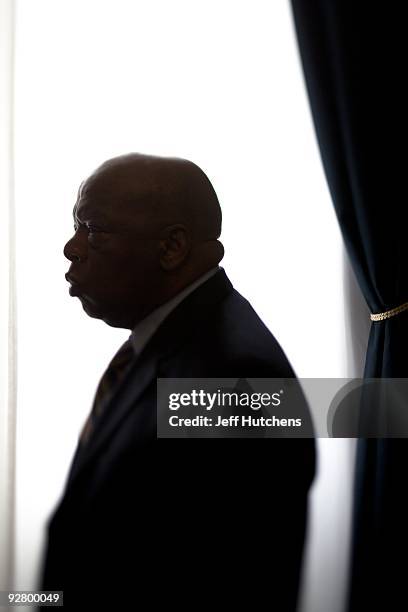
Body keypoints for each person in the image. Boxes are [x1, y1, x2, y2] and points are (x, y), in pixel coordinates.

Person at [40, 153, 315, 610]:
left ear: (172, 248)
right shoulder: (173, 337)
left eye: (94, 229)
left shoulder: (234, 384)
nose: (72, 248)